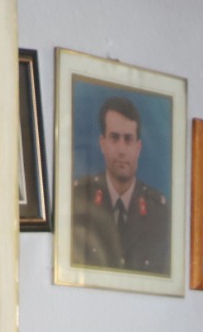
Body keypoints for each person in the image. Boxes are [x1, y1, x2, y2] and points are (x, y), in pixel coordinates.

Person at [70, 94, 171, 273]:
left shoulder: (160, 213)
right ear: (102, 144)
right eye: (114, 138)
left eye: (128, 139)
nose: (122, 150)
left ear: (138, 147)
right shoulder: (78, 200)